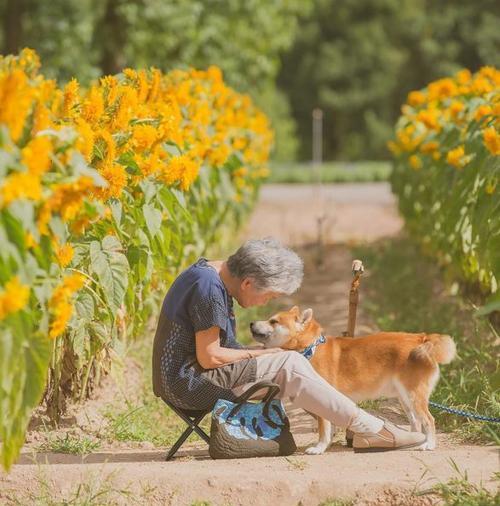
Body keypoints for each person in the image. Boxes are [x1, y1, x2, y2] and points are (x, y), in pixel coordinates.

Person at [152, 237, 426, 452]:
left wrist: (262, 354)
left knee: (286, 362)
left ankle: (364, 427)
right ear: (248, 282)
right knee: (291, 362)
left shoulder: (209, 276)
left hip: (186, 378)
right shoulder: (209, 290)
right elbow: (210, 357)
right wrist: (269, 353)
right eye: (269, 296)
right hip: (187, 385)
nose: (266, 303)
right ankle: (370, 429)